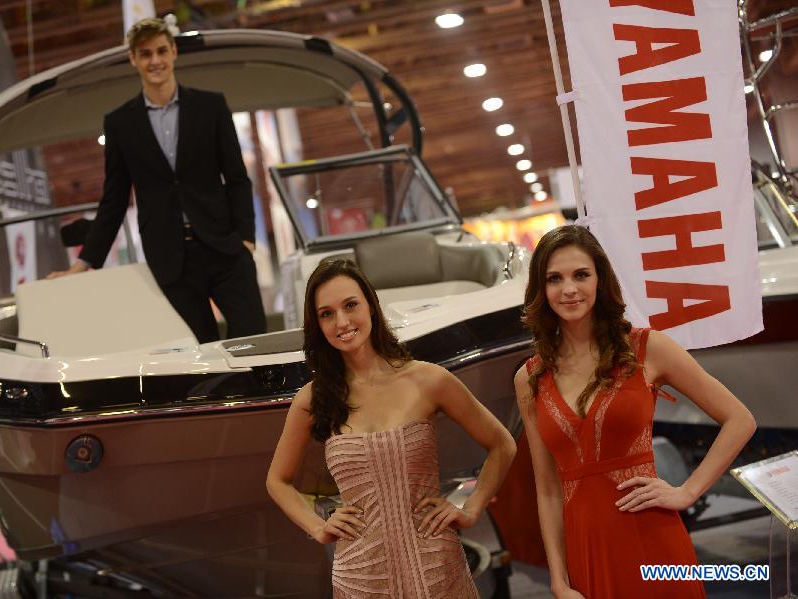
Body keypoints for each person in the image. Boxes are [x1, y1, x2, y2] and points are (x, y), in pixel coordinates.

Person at [514, 225, 756, 598]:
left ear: (600, 279)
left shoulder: (647, 347)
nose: (569, 289)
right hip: (586, 550)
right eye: (554, 279)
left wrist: (688, 491)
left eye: (581, 275)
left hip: (653, 539)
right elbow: (546, 489)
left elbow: (740, 420)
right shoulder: (530, 377)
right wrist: (559, 581)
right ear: (540, 290)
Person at [266, 258, 517, 597]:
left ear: (371, 305)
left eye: (350, 305)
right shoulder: (313, 397)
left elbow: (503, 444)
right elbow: (277, 481)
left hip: (437, 570)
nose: (341, 321)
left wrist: (470, 509)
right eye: (327, 313)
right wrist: (319, 527)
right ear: (317, 324)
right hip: (361, 577)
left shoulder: (427, 379)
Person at [48, 17, 266, 342]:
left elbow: (236, 178)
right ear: (133, 59)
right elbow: (114, 200)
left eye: (161, 51)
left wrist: (246, 239)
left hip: (224, 248)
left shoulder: (211, 106)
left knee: (253, 340)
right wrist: (82, 264)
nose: (155, 61)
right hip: (170, 259)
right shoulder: (120, 123)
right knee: (199, 357)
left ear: (174, 51)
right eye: (146, 53)